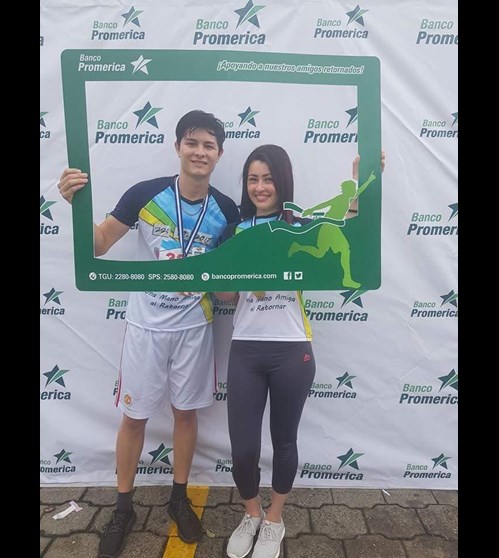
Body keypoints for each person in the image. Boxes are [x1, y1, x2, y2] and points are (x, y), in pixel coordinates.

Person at [57, 110, 240, 558]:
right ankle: (123, 507)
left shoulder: (226, 210)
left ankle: (178, 497)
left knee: (185, 416)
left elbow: (229, 292)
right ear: (178, 147)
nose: (200, 152)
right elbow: (100, 243)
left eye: (209, 145)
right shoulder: (145, 194)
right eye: (192, 142)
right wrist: (76, 205)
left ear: (219, 154)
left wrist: (213, 276)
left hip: (194, 329)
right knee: (134, 418)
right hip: (146, 327)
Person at [216, 144, 383, 558]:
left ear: (282, 181)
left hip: (292, 349)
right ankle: (251, 514)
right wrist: (231, 270)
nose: (260, 187)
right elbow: (226, 296)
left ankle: (274, 520)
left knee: (284, 441)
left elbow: (351, 228)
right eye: (253, 179)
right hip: (246, 349)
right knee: (243, 449)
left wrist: (363, 181)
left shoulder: (300, 224)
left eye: (268, 179)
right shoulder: (234, 231)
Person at [288, 169, 377, 288]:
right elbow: (325, 204)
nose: (354, 191)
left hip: (330, 227)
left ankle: (298, 247)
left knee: (320, 253)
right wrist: (311, 210)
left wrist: (369, 180)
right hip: (329, 227)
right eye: (352, 189)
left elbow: (359, 191)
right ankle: (346, 279)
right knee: (344, 250)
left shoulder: (347, 199)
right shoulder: (341, 198)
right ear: (347, 190)